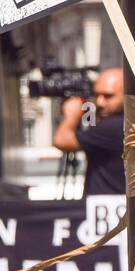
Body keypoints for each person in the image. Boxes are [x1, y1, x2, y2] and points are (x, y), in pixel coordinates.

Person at [53, 68, 125, 196]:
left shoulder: (113, 127)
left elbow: (62, 140)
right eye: (96, 95)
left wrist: (72, 114)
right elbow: (92, 125)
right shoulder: (128, 123)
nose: (99, 102)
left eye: (108, 96)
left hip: (105, 207)